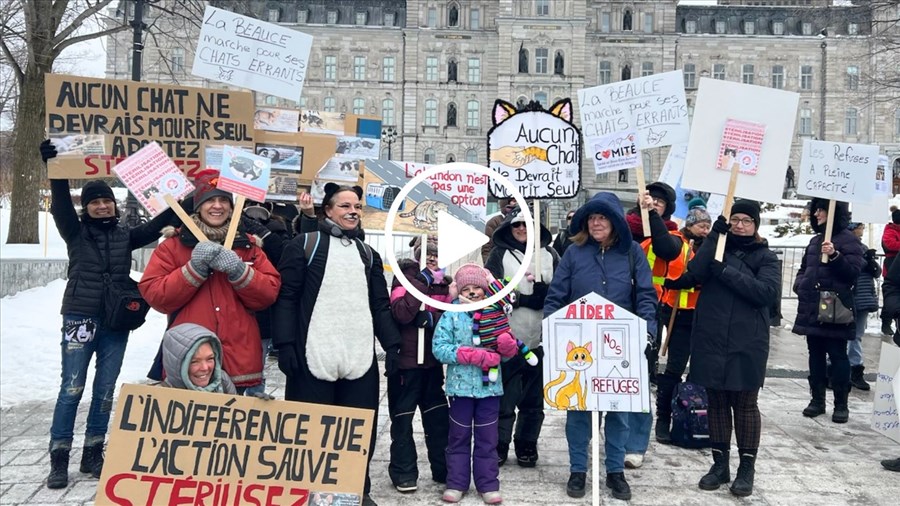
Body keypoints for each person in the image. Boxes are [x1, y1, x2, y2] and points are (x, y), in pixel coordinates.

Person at [40, 139, 176, 489]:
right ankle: (59, 456)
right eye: (95, 202)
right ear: (86, 208)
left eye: (107, 201)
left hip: (116, 322)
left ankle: (92, 453)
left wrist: (185, 194)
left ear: (114, 206)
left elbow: (162, 217)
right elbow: (59, 208)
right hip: (79, 319)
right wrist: (55, 171)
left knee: (104, 389)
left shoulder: (125, 235)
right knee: (72, 388)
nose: (102, 206)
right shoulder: (75, 232)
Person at [272, 183, 401, 506]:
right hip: (312, 354)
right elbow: (286, 297)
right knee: (311, 430)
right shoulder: (305, 244)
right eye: (344, 206)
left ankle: (356, 489)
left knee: (358, 431)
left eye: (356, 206)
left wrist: (394, 346)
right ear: (327, 210)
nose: (352, 211)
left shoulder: (367, 253)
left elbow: (379, 304)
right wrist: (285, 344)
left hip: (358, 357)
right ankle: (306, 493)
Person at [543, 192, 658, 501]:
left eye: (602, 217)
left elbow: (646, 295)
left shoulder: (632, 252)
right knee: (579, 410)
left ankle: (614, 472)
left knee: (618, 412)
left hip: (621, 345)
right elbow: (557, 294)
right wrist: (551, 328)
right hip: (580, 343)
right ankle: (578, 470)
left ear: (615, 222)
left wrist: (647, 332)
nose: (596, 223)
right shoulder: (574, 252)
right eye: (592, 218)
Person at [139, 169, 281, 392]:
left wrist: (239, 270)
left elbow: (268, 294)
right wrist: (193, 269)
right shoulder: (173, 246)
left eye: (224, 200)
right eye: (210, 200)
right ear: (198, 206)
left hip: (239, 357)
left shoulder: (249, 246)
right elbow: (156, 295)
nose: (217, 206)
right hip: (191, 357)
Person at [676, 200, 780, 497]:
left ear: (756, 225)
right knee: (717, 403)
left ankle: (747, 467)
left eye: (747, 220)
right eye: (735, 219)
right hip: (711, 336)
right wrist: (712, 238)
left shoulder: (766, 257)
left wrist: (725, 272)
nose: (740, 225)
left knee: (745, 404)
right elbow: (695, 272)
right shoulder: (715, 247)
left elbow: (765, 294)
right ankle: (719, 465)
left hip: (748, 341)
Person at [432, 264, 519, 504]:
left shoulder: (496, 312)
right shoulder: (452, 314)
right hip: (460, 387)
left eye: (477, 288)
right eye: (466, 288)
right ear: (458, 290)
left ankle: (488, 483)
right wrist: (468, 354)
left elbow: (505, 346)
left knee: (487, 437)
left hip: (489, 388)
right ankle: (457, 482)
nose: (472, 293)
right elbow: (439, 347)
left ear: (485, 290)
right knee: (458, 436)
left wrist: (507, 349)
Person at [485, 206, 558, 468]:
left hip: (540, 338)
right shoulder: (499, 254)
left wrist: (546, 294)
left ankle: (527, 443)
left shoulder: (549, 255)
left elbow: (562, 289)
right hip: (507, 337)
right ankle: (499, 444)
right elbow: (489, 288)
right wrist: (523, 298)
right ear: (508, 228)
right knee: (505, 397)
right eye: (517, 226)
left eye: (526, 225)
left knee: (533, 399)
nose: (522, 230)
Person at [387, 236, 450, 493]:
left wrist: (433, 318)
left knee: (437, 419)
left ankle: (443, 468)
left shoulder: (445, 284)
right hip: (406, 364)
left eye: (436, 254)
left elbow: (450, 318)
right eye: (427, 254)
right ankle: (404, 471)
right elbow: (401, 312)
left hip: (432, 364)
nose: (432, 259)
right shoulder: (404, 277)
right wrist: (422, 282)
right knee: (402, 420)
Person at [792, 199, 863, 424]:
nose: (817, 214)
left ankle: (841, 403)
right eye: (816, 210)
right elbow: (805, 268)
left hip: (834, 307)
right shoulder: (815, 241)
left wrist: (834, 256)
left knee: (837, 354)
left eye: (821, 210)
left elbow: (852, 273)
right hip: (813, 304)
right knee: (815, 354)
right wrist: (800, 284)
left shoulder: (848, 241)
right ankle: (817, 400)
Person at [628, 183, 683, 465]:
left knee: (639, 377)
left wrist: (654, 218)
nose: (654, 203)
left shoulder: (671, 233)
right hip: (619, 308)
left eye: (660, 201)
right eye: (650, 199)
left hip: (651, 310)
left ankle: (635, 444)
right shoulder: (624, 226)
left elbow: (666, 250)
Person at [654, 205, 712, 444]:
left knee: (702, 370)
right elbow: (673, 275)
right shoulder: (679, 244)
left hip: (705, 314)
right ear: (689, 226)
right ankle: (663, 418)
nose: (705, 230)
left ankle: (696, 416)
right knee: (675, 367)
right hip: (679, 313)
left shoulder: (712, 246)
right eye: (701, 225)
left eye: (708, 226)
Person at [160, 323, 237, 394]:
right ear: (177, 365)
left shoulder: (223, 381)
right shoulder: (159, 396)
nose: (205, 368)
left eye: (210, 358)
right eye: (194, 362)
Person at [847, 222, 878, 391]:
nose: (861, 233)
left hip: (864, 298)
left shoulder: (864, 247)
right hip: (849, 297)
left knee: (857, 336)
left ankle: (855, 369)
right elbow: (852, 267)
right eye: (859, 230)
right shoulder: (844, 247)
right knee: (841, 335)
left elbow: (875, 272)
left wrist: (872, 263)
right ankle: (834, 368)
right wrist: (865, 261)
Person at [880, 209, 900, 335]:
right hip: (892, 266)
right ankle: (886, 323)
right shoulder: (890, 230)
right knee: (890, 300)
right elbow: (889, 244)